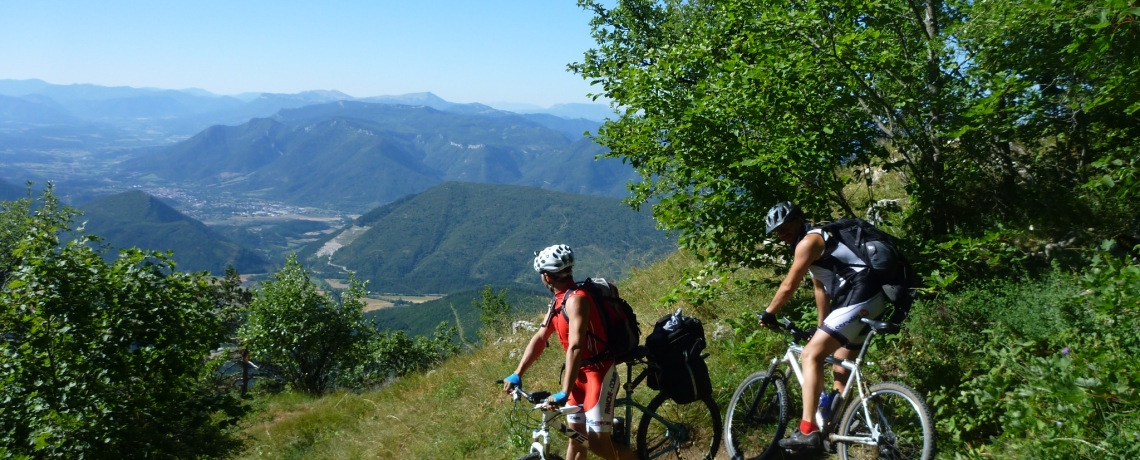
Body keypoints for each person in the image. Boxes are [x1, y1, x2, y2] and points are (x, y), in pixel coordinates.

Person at [758, 202, 894, 452]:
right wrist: (821, 328)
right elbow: (820, 288)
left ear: (799, 219)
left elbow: (789, 285)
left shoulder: (807, 243)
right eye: (777, 231)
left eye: (785, 226)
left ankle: (807, 430)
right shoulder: (821, 239)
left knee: (810, 356)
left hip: (859, 295)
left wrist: (769, 313)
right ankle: (835, 427)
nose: (782, 233)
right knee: (838, 365)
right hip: (872, 299)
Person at [502, 244, 636, 460]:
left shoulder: (577, 300)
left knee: (599, 446)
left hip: (598, 374)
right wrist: (518, 372)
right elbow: (540, 337)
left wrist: (564, 391)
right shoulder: (558, 300)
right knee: (576, 439)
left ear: (546, 276)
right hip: (578, 376)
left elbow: (575, 346)